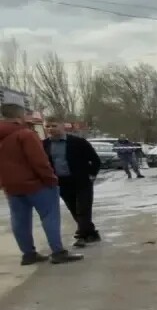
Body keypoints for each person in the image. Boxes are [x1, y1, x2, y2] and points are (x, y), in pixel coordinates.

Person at [0, 104, 82, 264]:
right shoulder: (25, 134)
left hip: (11, 186)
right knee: (49, 216)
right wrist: (51, 179)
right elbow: (39, 161)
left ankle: (28, 254)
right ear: (19, 116)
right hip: (37, 184)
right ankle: (58, 252)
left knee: (19, 220)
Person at [44, 122, 101, 247]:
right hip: (61, 182)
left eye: (54, 125)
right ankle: (91, 233)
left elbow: (95, 160)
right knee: (73, 209)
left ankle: (81, 235)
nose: (50, 129)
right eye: (47, 126)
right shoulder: (44, 145)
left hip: (81, 181)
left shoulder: (78, 142)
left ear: (62, 127)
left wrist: (92, 175)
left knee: (83, 208)